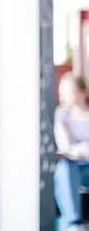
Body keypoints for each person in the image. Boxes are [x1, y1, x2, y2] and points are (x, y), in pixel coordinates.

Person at [55, 73, 89, 231]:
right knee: (64, 167)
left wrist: (80, 149)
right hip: (75, 167)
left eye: (68, 91)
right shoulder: (61, 116)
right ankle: (74, 224)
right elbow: (65, 146)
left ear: (82, 92)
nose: (63, 96)